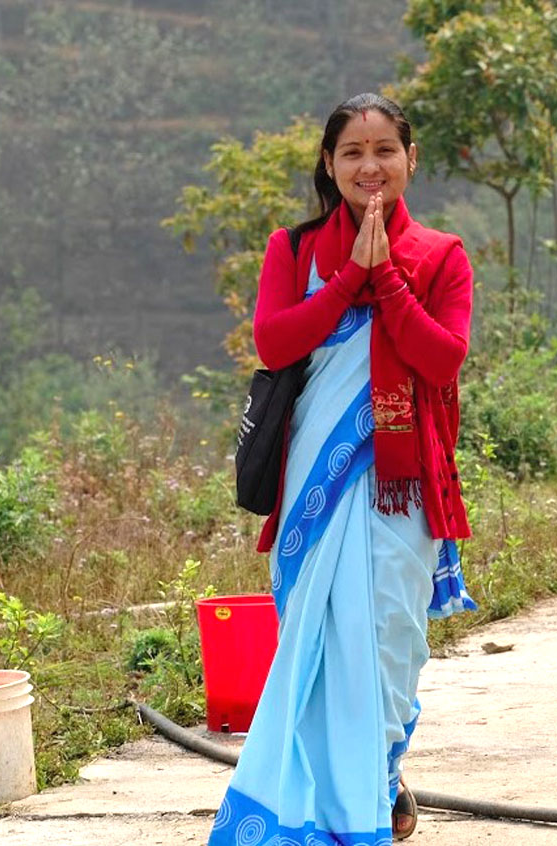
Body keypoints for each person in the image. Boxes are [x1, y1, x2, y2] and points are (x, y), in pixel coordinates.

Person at [208, 93, 477, 844]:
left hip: (401, 492)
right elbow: (275, 343)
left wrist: (384, 277)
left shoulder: (440, 257)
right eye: (353, 153)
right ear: (329, 164)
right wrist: (346, 282)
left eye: (385, 150)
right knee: (318, 650)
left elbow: (442, 358)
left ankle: (378, 783)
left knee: (390, 645)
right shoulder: (291, 251)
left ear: (410, 160)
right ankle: (332, 816)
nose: (370, 166)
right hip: (313, 498)